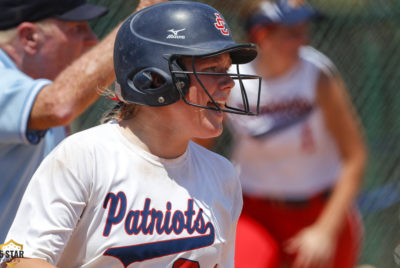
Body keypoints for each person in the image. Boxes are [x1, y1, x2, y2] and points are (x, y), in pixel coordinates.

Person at [3, 1, 261, 267]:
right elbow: (16, 257)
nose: (229, 82)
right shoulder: (85, 157)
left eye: (227, 69)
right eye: (211, 70)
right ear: (156, 79)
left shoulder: (222, 175)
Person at [0, 0, 163, 243]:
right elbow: (58, 105)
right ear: (29, 37)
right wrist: (137, 23)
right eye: (77, 29)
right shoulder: (46, 98)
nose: (92, 40)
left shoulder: (40, 87)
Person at [226, 1, 367, 267]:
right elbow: (199, 148)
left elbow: (355, 156)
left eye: (304, 30)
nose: (303, 40)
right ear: (261, 35)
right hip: (254, 211)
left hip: (319, 208)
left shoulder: (316, 75)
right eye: (292, 33)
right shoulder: (233, 78)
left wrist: (325, 229)